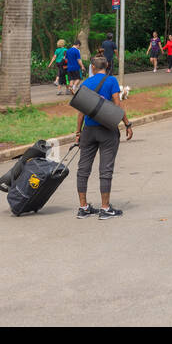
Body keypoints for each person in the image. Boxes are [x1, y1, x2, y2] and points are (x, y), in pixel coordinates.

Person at [73, 55, 132, 220]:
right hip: (107, 130)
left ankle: (83, 207)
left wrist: (78, 132)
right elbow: (117, 105)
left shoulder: (86, 83)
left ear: (92, 68)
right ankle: (105, 208)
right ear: (106, 66)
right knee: (105, 169)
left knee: (83, 169)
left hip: (89, 130)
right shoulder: (111, 81)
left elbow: (81, 111)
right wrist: (127, 124)